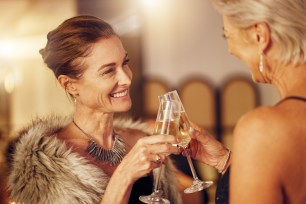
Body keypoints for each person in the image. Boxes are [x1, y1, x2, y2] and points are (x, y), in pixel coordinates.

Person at [5, 15, 182, 204]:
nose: (127, 79)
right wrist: (124, 176)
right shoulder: (42, 167)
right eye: (108, 71)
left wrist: (215, 159)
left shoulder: (140, 139)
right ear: (70, 85)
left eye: (125, 63)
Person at [184, 0, 306, 203]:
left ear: (259, 35)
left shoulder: (263, 130)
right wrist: (225, 160)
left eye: (227, 35)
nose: (230, 49)